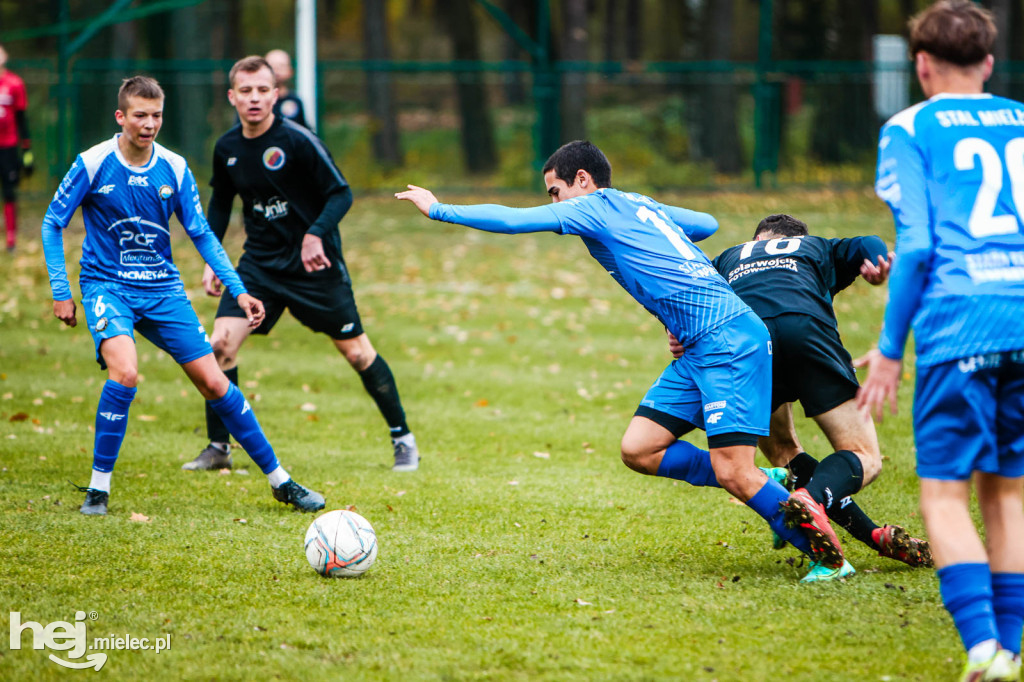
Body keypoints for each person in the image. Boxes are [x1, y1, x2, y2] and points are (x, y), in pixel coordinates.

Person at [397, 139, 849, 576]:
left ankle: (828, 558)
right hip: (699, 344)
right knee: (640, 448)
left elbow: (515, 220)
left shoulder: (593, 206)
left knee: (734, 472)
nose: (555, 203)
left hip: (725, 339)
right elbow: (707, 222)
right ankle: (772, 482)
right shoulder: (639, 204)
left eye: (557, 193)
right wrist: (664, 235)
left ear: (582, 179)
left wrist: (440, 209)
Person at [40, 75, 325, 516]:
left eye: (156, 116)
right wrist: (62, 291)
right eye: (140, 115)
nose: (149, 124)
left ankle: (281, 481)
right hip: (107, 286)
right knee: (126, 373)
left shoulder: (173, 167)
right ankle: (98, 491)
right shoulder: (94, 163)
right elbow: (51, 222)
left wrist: (240, 290)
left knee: (214, 382)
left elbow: (202, 234)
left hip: (163, 289)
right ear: (121, 117)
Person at [857, 2, 1024, 680]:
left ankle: (983, 648)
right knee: (1008, 493)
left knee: (945, 494)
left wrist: (892, 347)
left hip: (960, 325)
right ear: (987, 63)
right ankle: (1008, 650)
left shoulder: (910, 127)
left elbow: (920, 245)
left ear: (921, 66)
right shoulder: (1021, 117)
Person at [182, 55, 419, 473]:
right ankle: (219, 446)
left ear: (276, 94)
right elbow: (219, 205)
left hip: (315, 267)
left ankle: (403, 438)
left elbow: (341, 194)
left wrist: (314, 234)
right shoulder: (227, 148)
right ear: (231, 97)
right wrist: (212, 259)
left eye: (262, 90)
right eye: (246, 91)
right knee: (219, 345)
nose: (254, 99)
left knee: (357, 353)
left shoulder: (299, 140)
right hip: (259, 266)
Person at [664, 213, 932, 582]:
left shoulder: (729, 257)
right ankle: (815, 500)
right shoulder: (815, 248)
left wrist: (674, 330)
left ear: (756, 239)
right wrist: (876, 263)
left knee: (782, 454)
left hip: (750, 345)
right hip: (805, 332)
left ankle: (856, 525)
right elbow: (867, 241)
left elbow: (686, 291)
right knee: (864, 456)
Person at [0, 44, 32, 253]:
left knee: (9, 191)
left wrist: (27, 151)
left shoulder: (14, 83)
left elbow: (22, 120)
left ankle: (11, 239)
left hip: (8, 146)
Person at [265, 49, 307, 128]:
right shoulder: (256, 101)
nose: (276, 70)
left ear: (290, 71)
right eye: (271, 66)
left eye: (281, 66)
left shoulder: (295, 101)